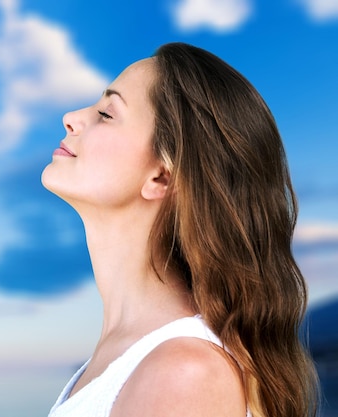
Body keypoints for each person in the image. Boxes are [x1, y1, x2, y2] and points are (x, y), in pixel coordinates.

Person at [41, 42, 319, 417]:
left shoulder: (184, 373)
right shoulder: (136, 358)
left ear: (162, 176)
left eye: (107, 113)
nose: (71, 117)